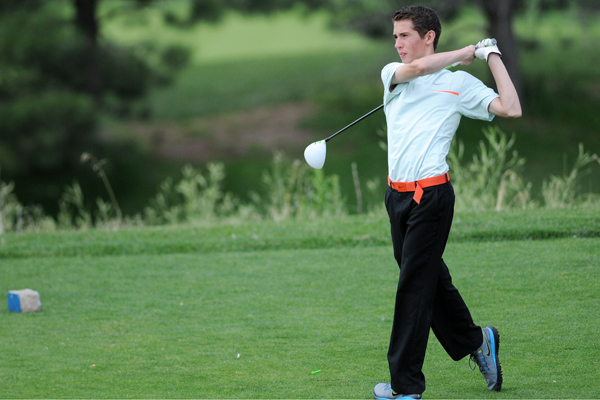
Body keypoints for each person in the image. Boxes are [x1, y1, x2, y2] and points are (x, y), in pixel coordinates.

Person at [373, 5, 521, 400]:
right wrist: (463, 52)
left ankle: (406, 388)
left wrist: (491, 55)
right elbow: (420, 69)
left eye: (405, 35)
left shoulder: (458, 85)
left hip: (431, 198)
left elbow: (511, 107)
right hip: (396, 197)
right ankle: (477, 340)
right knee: (427, 279)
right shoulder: (393, 74)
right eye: (395, 36)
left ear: (429, 36)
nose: (397, 43)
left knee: (413, 287)